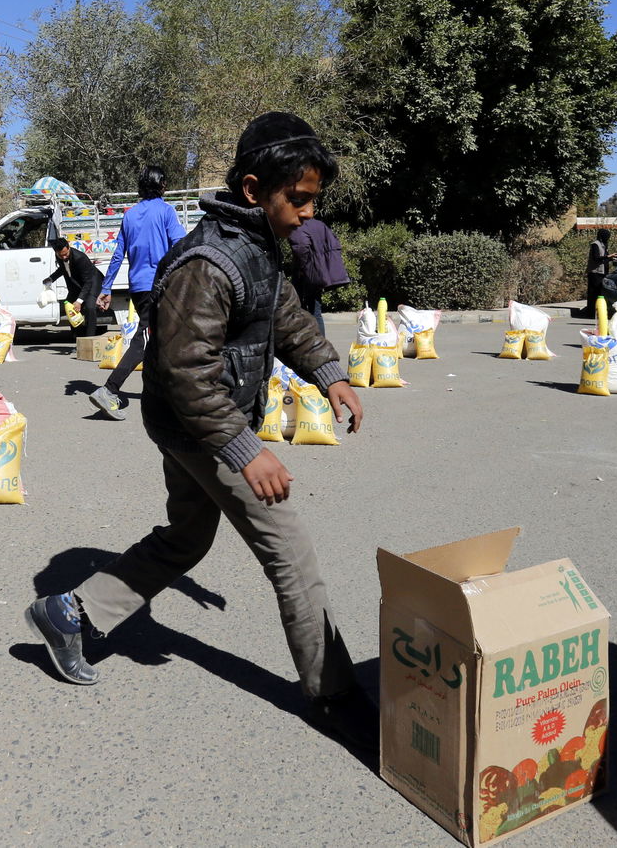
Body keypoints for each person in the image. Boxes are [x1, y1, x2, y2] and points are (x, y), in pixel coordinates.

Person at [23, 112, 376, 750]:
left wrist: (331, 374)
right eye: (297, 199)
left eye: (313, 200)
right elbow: (188, 374)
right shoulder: (207, 264)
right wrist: (247, 452)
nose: (306, 213)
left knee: (186, 538)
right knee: (291, 556)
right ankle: (334, 695)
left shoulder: (263, 245)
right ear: (251, 189)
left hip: (200, 425)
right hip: (198, 430)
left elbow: (286, 316)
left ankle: (69, 613)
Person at [87, 165, 186, 420]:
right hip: (161, 285)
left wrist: (106, 288)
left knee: (159, 340)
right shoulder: (165, 211)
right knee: (146, 340)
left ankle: (160, 395)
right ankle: (109, 389)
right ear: (161, 185)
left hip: (138, 287)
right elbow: (180, 246)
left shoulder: (130, 215)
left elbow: (118, 254)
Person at [288, 203, 350, 335]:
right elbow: (334, 243)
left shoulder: (298, 226)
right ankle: (320, 343)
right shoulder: (319, 225)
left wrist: (301, 267)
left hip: (305, 274)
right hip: (319, 273)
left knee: (298, 308)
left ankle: (306, 341)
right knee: (316, 310)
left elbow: (301, 248)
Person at [43, 237, 105, 339]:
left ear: (69, 248)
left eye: (65, 254)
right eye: (61, 255)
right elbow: (63, 269)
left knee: (90, 307)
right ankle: (77, 337)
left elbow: (88, 282)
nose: (63, 257)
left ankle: (89, 338)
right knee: (69, 306)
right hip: (77, 284)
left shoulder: (80, 258)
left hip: (92, 282)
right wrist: (51, 279)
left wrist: (79, 301)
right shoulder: (59, 255)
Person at [581, 228, 616, 319]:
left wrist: (612, 258)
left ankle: (600, 312)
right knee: (593, 294)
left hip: (603, 273)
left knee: (601, 294)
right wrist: (608, 256)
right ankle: (590, 314)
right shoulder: (595, 245)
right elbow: (596, 258)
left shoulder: (604, 245)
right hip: (595, 273)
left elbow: (604, 258)